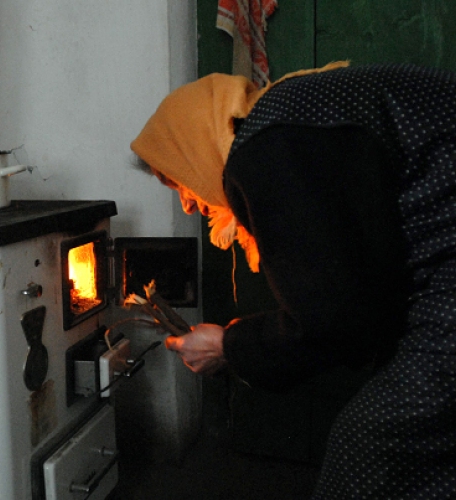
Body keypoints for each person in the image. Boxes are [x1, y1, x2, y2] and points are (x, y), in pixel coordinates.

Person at [131, 62, 456, 498]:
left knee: (368, 446)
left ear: (193, 144)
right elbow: (360, 293)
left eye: (178, 181)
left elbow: (334, 319)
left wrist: (230, 347)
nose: (189, 205)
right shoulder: (284, 119)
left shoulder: (269, 148)